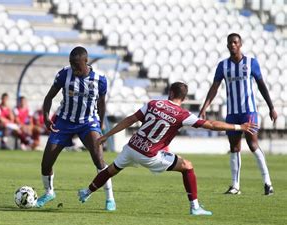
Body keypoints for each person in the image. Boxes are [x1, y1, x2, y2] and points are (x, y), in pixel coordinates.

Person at [77, 82, 258, 215]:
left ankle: (86, 192)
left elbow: (130, 119)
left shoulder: (153, 103)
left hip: (132, 147)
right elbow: (210, 124)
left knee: (111, 170)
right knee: (187, 166)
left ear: (170, 92)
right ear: (184, 98)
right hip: (150, 155)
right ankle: (195, 207)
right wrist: (238, 127)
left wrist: (106, 136)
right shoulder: (183, 114)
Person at [36, 46, 116, 211]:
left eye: (77, 65)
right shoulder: (64, 74)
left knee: (98, 158)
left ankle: (110, 199)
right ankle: (49, 192)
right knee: (46, 162)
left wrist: (100, 125)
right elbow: (49, 97)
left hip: (88, 122)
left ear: (86, 62)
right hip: (64, 121)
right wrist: (45, 117)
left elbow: (101, 104)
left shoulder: (100, 79)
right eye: (72, 64)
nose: (74, 69)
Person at [199, 33, 277, 195]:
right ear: (227, 46)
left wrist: (271, 107)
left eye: (235, 42)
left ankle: (267, 183)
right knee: (234, 147)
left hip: (249, 112)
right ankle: (235, 186)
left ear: (240, 44)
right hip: (232, 114)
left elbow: (262, 85)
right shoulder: (223, 66)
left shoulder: (251, 63)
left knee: (253, 144)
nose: (232, 45)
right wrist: (205, 107)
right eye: (230, 43)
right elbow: (214, 87)